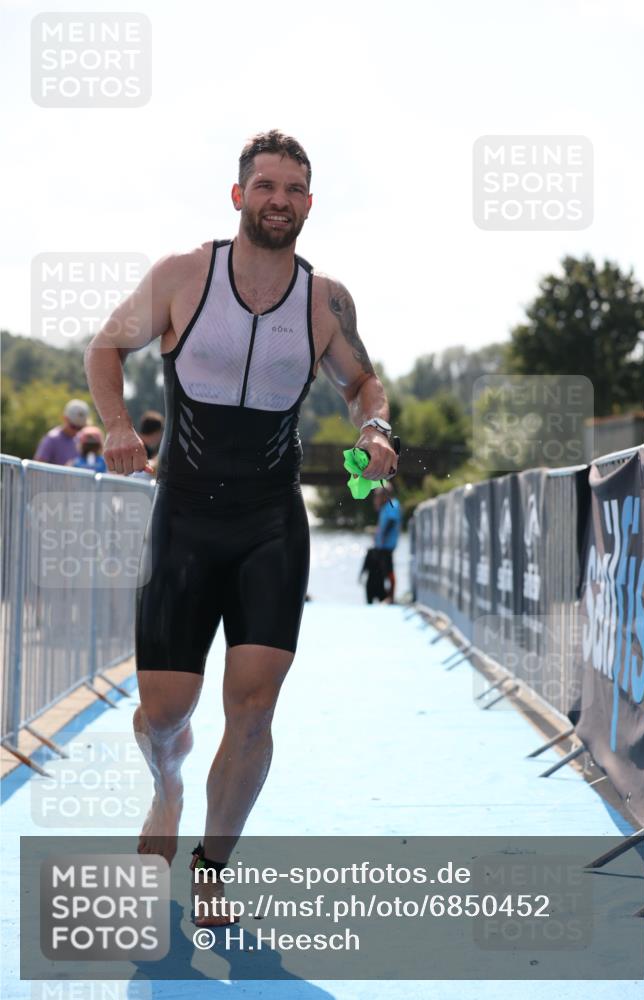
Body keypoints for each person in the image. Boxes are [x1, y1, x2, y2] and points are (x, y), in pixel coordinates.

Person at [83, 129, 399, 926]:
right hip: (184, 519)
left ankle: (214, 863)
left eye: (294, 189)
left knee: (253, 708)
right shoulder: (183, 275)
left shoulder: (324, 300)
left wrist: (374, 431)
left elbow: (363, 383)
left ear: (309, 203)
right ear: (238, 196)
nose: (279, 201)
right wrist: (116, 424)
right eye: (266, 186)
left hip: (269, 522)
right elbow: (105, 348)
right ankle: (168, 789)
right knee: (163, 713)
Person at [33, 398, 90, 466]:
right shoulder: (52, 439)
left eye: (80, 428)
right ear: (65, 418)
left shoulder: (81, 439)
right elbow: (38, 466)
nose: (76, 431)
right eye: (73, 426)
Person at [373, 482, 402, 602]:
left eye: (379, 495)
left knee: (389, 569)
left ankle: (391, 596)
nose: (377, 497)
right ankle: (385, 595)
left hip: (388, 544)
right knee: (383, 569)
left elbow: (391, 521)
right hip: (382, 544)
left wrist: (383, 536)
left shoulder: (392, 504)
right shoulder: (385, 506)